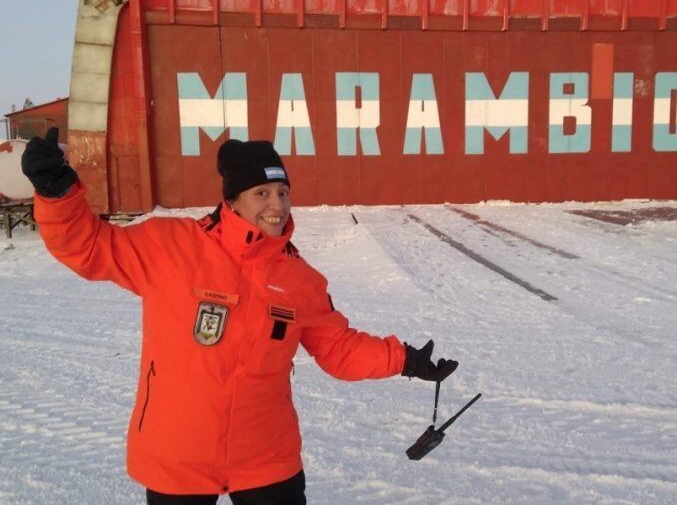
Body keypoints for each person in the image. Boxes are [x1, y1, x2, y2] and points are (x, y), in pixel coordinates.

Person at [21, 128, 458, 505]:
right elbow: (90, 249)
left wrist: (403, 359)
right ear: (231, 199)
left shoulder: (299, 277)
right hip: (179, 453)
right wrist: (58, 192)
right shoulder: (172, 247)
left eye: (283, 192)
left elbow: (338, 348)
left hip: (266, 455)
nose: (277, 205)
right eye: (262, 193)